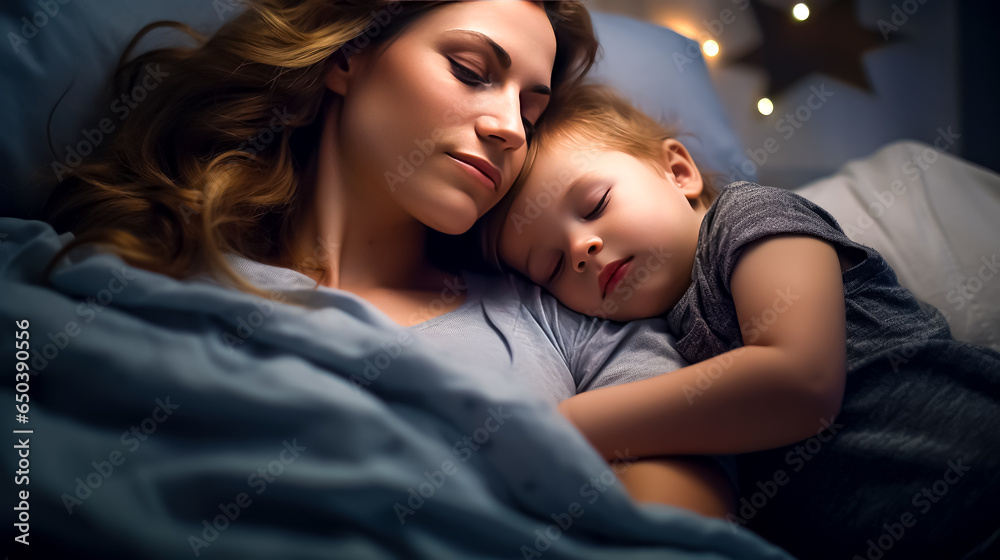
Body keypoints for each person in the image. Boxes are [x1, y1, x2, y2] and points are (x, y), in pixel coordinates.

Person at [39, 1, 735, 520]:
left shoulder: (574, 311)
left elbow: (679, 534)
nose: (507, 129)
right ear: (350, 57)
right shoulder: (146, 261)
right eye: (471, 71)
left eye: (530, 109)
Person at [488, 82, 1000, 559]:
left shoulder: (749, 220)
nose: (581, 249)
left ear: (678, 172)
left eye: (595, 204)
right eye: (552, 266)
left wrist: (565, 424)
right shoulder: (650, 343)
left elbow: (799, 382)